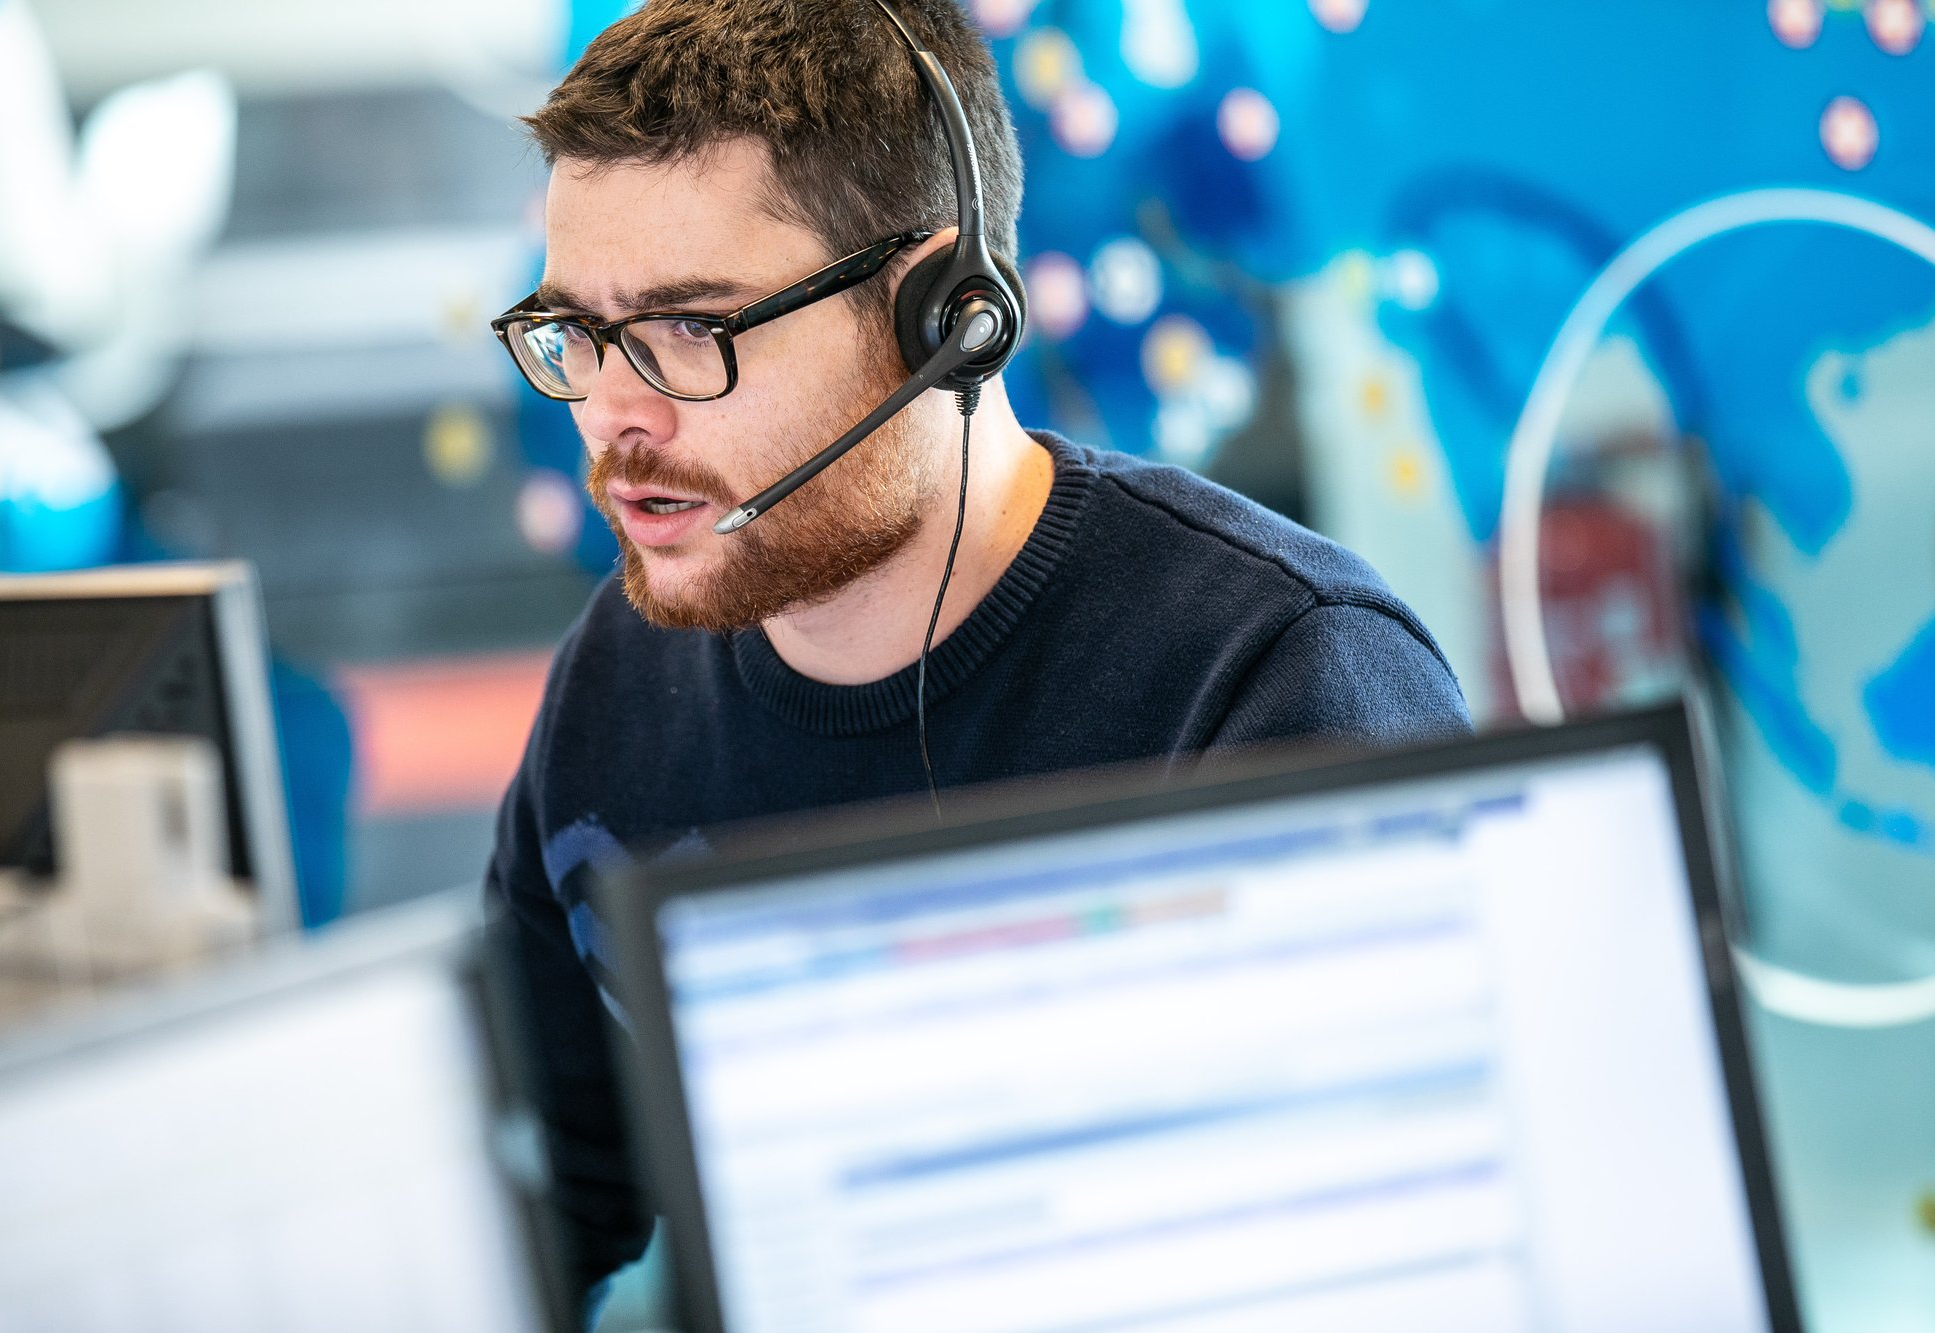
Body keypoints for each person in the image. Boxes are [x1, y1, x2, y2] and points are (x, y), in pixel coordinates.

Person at [483, 0, 1472, 1311]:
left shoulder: (1280, 683)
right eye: (580, 336)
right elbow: (529, 1202)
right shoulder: (619, 679)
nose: (612, 413)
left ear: (940, 316)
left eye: (686, 330)